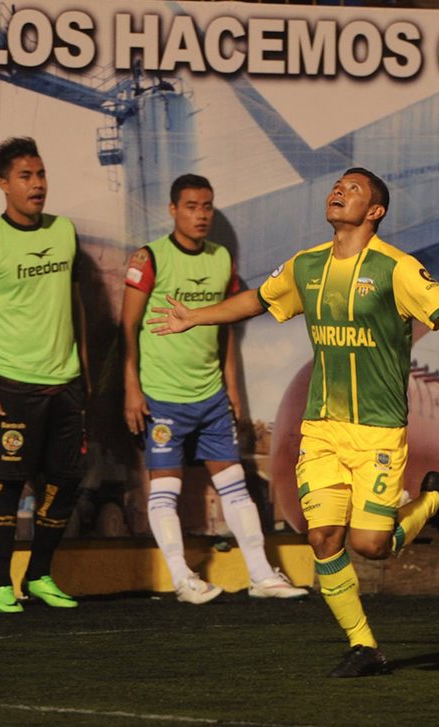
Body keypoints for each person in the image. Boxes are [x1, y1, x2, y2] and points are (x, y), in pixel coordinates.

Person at [148, 168, 439, 677]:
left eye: (353, 189)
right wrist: (195, 316)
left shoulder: (396, 268)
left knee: (371, 546)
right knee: (323, 539)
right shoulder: (307, 265)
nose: (339, 191)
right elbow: (256, 301)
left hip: (378, 431)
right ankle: (364, 647)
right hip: (322, 428)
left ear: (375, 212)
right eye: (337, 185)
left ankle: (432, 501)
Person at [122, 174, 307, 603]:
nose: (200, 214)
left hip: (209, 396)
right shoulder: (150, 258)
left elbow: (224, 325)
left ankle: (262, 575)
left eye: (206, 206)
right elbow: (126, 326)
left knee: (236, 485)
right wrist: (131, 387)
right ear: (172, 210)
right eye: (191, 206)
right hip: (163, 394)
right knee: (166, 488)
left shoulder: (221, 258)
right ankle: (182, 579)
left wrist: (232, 387)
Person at [0, 137, 89, 614]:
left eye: (41, 175)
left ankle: (39, 576)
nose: (37, 185)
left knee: (64, 483)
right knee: (10, 483)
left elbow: (76, 306)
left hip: (66, 383)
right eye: (25, 177)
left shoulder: (65, 231)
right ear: (3, 185)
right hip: (13, 384)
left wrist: (85, 375)